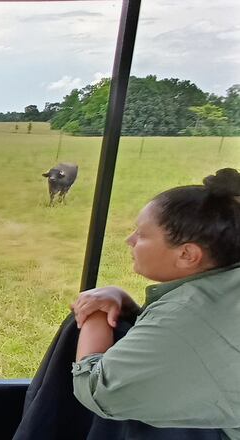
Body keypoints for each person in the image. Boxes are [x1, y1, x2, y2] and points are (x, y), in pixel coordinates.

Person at [69, 168, 240, 438]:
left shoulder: (188, 313)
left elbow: (99, 391)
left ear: (187, 254)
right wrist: (123, 299)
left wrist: (93, 315)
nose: (130, 240)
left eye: (142, 234)